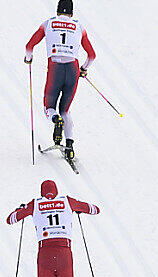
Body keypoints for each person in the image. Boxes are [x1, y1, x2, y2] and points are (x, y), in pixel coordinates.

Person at [24, 0, 95, 161]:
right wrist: (83, 69)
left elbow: (29, 45)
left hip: (55, 67)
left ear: (57, 12)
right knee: (65, 110)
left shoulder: (48, 23)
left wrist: (29, 59)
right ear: (71, 14)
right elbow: (92, 55)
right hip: (72, 69)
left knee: (49, 107)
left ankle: (56, 121)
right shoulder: (79, 26)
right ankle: (69, 146)